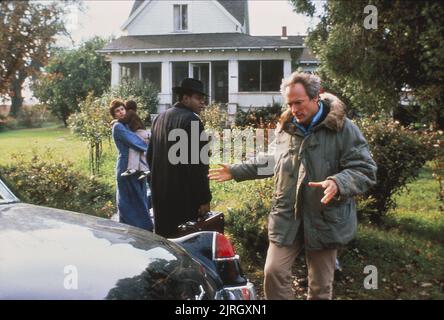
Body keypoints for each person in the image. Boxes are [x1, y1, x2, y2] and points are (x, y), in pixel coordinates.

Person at [209, 72, 377, 300]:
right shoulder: (286, 128)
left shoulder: (343, 129)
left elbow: (365, 169)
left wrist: (338, 182)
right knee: (273, 272)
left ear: (316, 97)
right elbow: (271, 161)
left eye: (299, 102)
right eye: (290, 103)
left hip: (324, 218)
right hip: (287, 217)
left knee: (320, 286)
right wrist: (236, 170)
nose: (294, 109)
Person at [147, 78, 212, 238]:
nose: (202, 103)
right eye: (198, 99)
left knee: (164, 245)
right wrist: (204, 198)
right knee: (186, 246)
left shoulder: (159, 118)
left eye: (203, 100)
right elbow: (199, 165)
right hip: (183, 199)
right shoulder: (192, 120)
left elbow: (149, 157)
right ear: (185, 98)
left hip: (160, 195)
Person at [109, 99, 153, 231]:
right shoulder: (118, 127)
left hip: (138, 165)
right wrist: (150, 144)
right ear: (114, 115)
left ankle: (140, 229)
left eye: (122, 109)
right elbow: (136, 141)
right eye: (117, 111)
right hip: (126, 166)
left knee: (141, 195)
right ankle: (140, 229)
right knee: (130, 199)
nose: (121, 112)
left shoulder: (128, 124)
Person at [120, 100, 151, 180]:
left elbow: (124, 120)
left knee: (133, 148)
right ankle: (146, 169)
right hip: (145, 133)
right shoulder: (134, 114)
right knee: (140, 151)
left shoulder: (130, 112)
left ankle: (132, 168)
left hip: (139, 132)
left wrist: (116, 121)